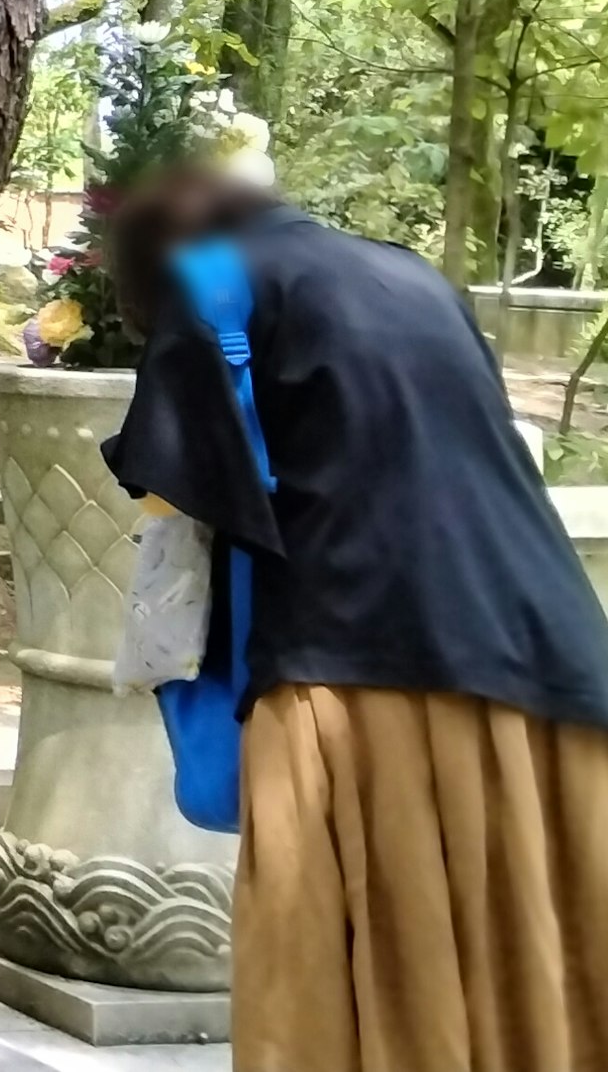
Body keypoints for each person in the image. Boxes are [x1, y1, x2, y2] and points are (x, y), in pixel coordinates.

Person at [104, 162, 608, 1072]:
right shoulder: (414, 275)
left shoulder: (210, 285)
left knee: (347, 988)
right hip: (557, 664)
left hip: (361, 676)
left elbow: (175, 481)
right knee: (537, 980)